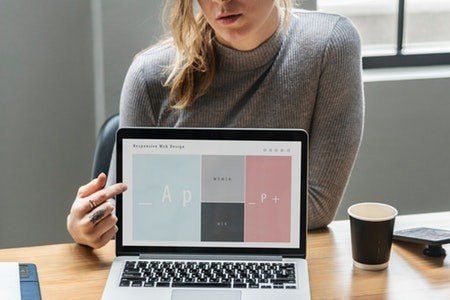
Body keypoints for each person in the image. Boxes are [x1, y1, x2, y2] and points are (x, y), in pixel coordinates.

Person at [67, 0, 364, 249]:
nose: (222, 2)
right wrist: (86, 225)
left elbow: (315, 207)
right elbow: (129, 214)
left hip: (271, 261)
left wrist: (179, 203)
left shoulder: (329, 47)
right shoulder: (150, 76)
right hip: (178, 260)